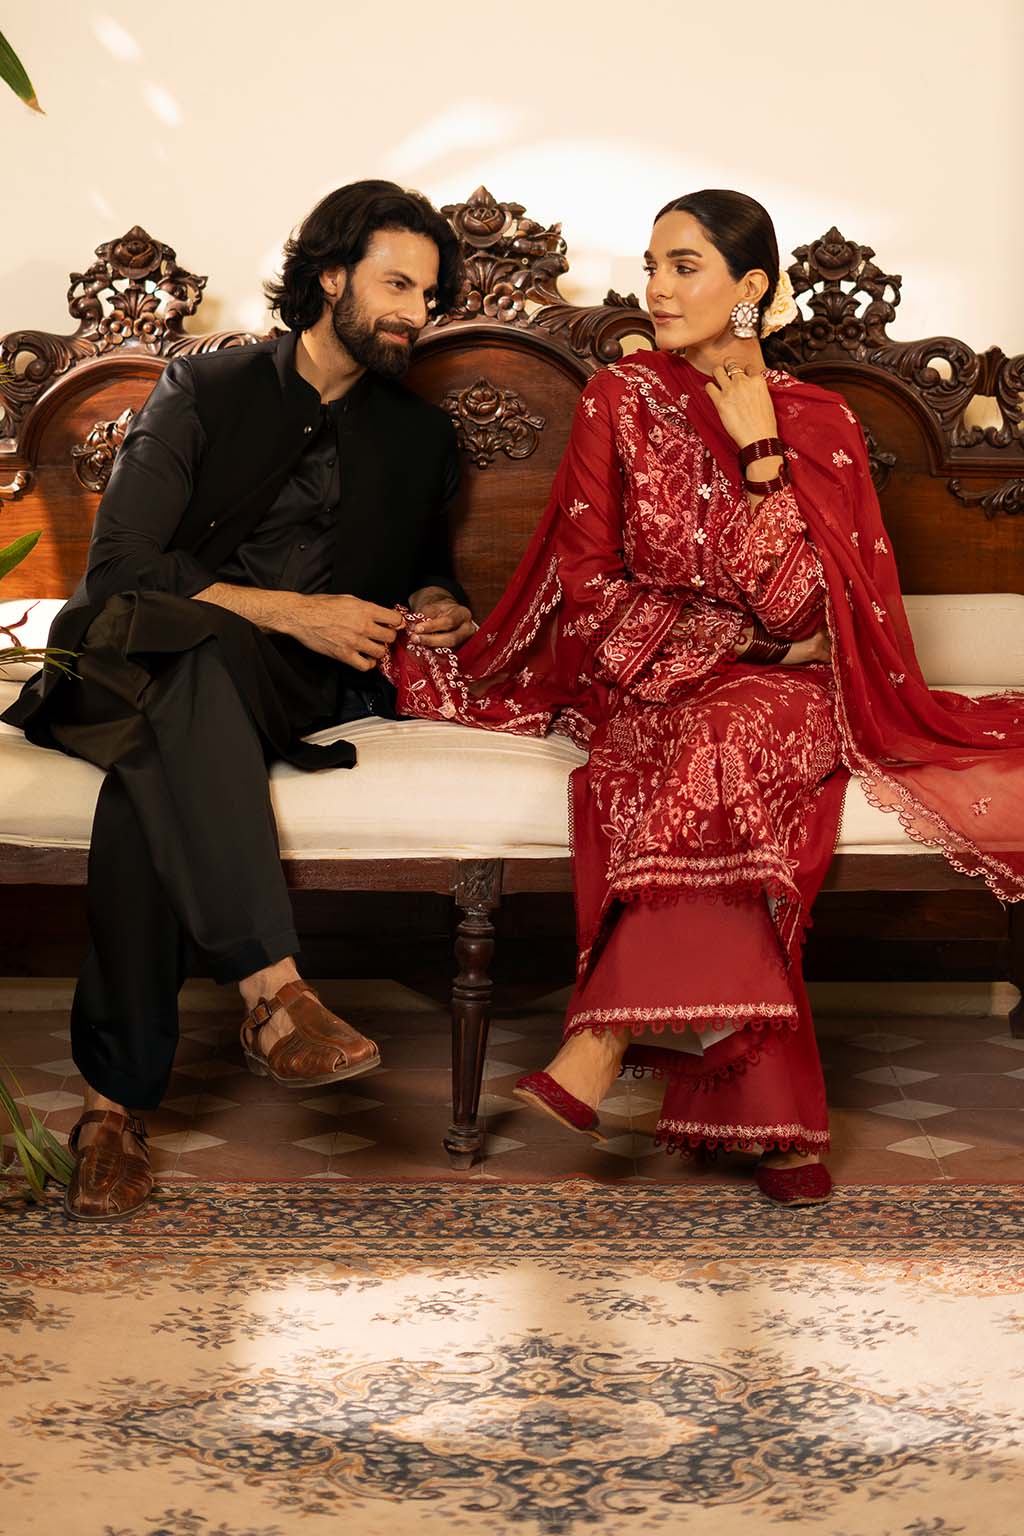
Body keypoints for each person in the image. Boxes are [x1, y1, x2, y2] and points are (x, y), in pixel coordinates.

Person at [382, 188, 1024, 1206]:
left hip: (796, 696)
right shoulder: (619, 400)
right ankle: (770, 1115)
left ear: (750, 286)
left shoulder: (818, 421)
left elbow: (812, 609)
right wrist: (749, 640)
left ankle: (602, 1037)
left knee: (727, 735)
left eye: (684, 267)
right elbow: (592, 588)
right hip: (652, 679)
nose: (658, 288)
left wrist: (761, 450)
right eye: (652, 266)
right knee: (711, 742)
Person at [1, 180, 476, 1220]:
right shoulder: (204, 389)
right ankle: (272, 990)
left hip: (272, 689)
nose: (417, 312)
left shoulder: (418, 437)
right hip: (122, 656)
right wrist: (294, 612)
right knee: (189, 669)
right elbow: (121, 568)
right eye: (398, 285)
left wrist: (441, 605)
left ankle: (111, 1111)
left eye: (429, 295)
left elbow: (425, 567)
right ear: (330, 276)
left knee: (159, 758)